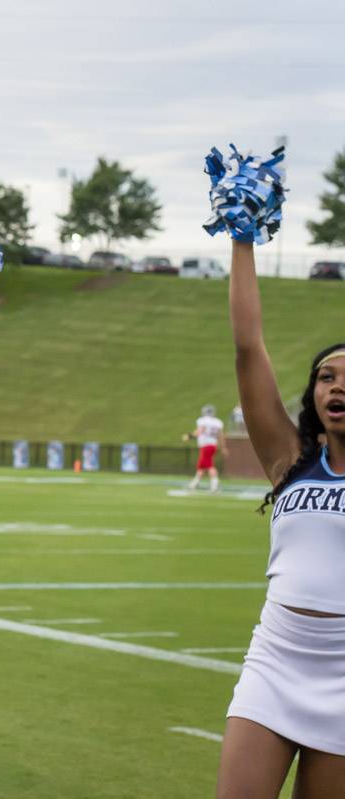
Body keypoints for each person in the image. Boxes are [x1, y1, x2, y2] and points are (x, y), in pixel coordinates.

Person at [216, 239, 345, 796]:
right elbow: (248, 348)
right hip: (276, 658)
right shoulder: (290, 463)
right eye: (327, 376)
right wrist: (242, 238)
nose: (338, 386)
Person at [185, 404, 227, 492]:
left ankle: (214, 484)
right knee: (202, 465)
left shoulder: (202, 421)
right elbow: (221, 436)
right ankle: (194, 483)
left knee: (209, 465)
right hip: (212, 445)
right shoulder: (218, 422)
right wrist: (223, 447)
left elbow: (200, 430)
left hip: (206, 445)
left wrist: (190, 436)